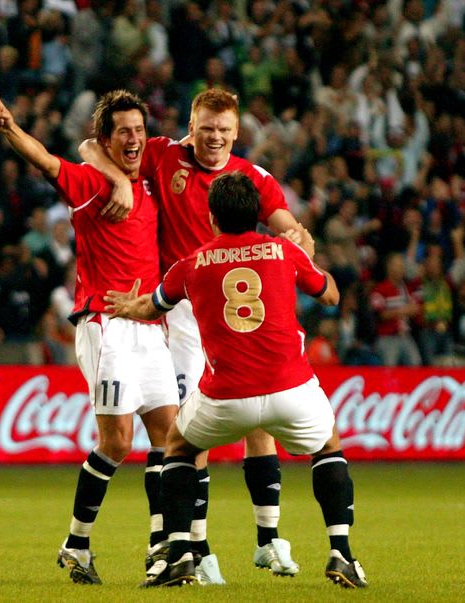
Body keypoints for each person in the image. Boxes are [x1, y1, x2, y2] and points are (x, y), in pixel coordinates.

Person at [80, 88, 307, 582]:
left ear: (237, 131)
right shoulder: (163, 155)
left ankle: (268, 539)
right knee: (192, 429)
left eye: (224, 130)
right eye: (207, 129)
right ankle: (198, 549)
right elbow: (90, 147)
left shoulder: (252, 177)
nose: (215, 138)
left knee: (260, 419)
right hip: (183, 313)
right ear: (191, 127)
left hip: (238, 315)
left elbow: (291, 229)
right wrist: (117, 180)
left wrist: (297, 237)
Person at [105, 171, 368, 589]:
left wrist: (125, 306)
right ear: (257, 216)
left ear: (211, 218)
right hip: (290, 389)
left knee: (178, 446)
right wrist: (309, 256)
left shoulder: (190, 264)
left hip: (225, 397)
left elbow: (152, 308)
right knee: (328, 445)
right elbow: (331, 296)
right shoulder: (284, 251)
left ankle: (180, 555)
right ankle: (342, 554)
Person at [0, 86, 180, 585]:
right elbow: (48, 161)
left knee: (169, 436)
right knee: (117, 442)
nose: (134, 139)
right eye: (124, 132)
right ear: (108, 140)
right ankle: (77, 542)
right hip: (105, 324)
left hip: (150, 325)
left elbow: (96, 146)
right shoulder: (92, 183)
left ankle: (160, 549)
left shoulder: (151, 181)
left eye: (139, 130)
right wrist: (11, 130)